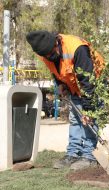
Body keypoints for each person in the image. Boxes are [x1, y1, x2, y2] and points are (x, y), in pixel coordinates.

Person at [26, 30, 104, 170]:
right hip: (74, 84)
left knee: (88, 119)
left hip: (94, 83)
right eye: (46, 55)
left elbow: (88, 81)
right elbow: (55, 70)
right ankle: (73, 153)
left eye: (51, 52)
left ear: (56, 42)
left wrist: (88, 109)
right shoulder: (46, 54)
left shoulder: (77, 48)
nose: (49, 57)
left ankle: (89, 156)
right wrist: (60, 84)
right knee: (75, 119)